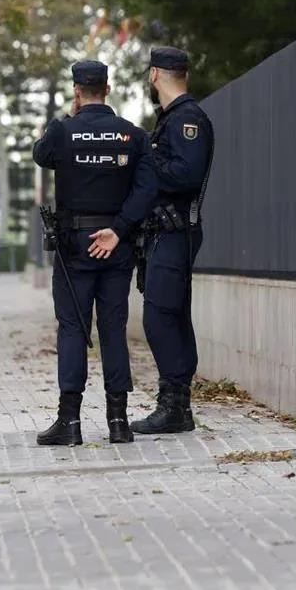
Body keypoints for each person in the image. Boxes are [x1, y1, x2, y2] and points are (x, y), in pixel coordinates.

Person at [32, 59, 156, 446]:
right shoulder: (132, 136)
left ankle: (69, 424)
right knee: (113, 331)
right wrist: (118, 231)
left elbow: (41, 155)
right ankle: (118, 423)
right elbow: (146, 189)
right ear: (107, 88)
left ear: (76, 90)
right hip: (116, 247)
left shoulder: (61, 132)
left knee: (73, 329)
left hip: (74, 248)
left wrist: (69, 119)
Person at [132, 45, 214, 435]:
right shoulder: (170, 119)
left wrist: (145, 164)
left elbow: (186, 175)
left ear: (155, 75)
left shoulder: (187, 119)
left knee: (161, 316)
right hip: (163, 232)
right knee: (170, 315)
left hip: (176, 231)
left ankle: (174, 406)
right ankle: (176, 405)